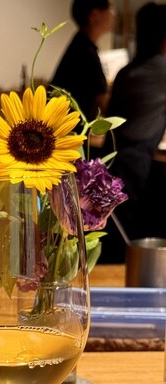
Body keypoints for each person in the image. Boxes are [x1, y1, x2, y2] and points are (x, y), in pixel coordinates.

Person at [102, 2, 166, 256]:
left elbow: (110, 118)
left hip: (112, 160)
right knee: (126, 243)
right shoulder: (162, 71)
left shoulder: (126, 72)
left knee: (111, 238)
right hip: (136, 165)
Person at [51, 0, 115, 122]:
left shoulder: (80, 44)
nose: (114, 14)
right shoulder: (86, 52)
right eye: (111, 8)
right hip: (69, 131)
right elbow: (105, 105)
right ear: (94, 15)